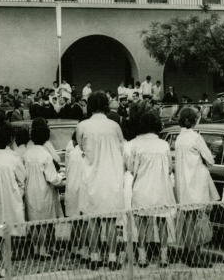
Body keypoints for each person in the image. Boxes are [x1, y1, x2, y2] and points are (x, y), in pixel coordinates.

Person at [76, 91, 125, 270]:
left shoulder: (82, 126)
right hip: (110, 176)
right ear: (106, 105)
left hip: (91, 176)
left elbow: (81, 147)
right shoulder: (114, 126)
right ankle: (112, 258)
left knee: (92, 219)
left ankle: (95, 257)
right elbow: (121, 148)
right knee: (110, 220)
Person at [126, 111, 176, 268]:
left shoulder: (135, 145)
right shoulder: (163, 144)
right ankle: (163, 257)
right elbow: (170, 168)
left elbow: (131, 168)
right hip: (161, 189)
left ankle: (142, 257)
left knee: (142, 224)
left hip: (142, 189)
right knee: (162, 222)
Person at [174, 106, 218, 267]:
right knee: (197, 220)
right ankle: (194, 255)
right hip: (196, 182)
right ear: (194, 121)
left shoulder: (179, 138)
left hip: (183, 183)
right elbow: (210, 159)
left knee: (188, 219)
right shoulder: (195, 137)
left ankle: (188, 252)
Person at [0, 124, 26, 279]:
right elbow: (22, 180)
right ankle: (4, 268)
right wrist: (17, 195)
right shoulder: (13, 159)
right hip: (9, 200)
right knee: (6, 236)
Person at [23, 123, 64, 258]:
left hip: (30, 190)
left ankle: (35, 249)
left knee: (33, 222)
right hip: (44, 191)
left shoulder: (27, 154)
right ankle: (42, 249)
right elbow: (52, 178)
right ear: (46, 138)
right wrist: (61, 178)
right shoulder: (46, 155)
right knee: (44, 222)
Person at [64, 132, 87, 259]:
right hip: (83, 188)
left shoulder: (71, 153)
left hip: (72, 187)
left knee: (75, 221)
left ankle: (73, 248)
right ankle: (83, 249)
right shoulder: (87, 153)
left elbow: (67, 171)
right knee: (84, 222)